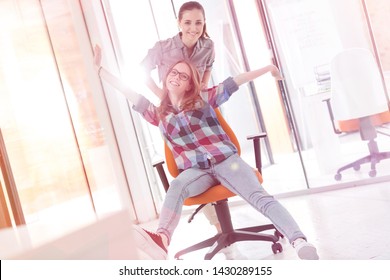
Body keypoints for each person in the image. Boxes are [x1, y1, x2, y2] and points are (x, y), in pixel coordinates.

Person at [94, 48, 319, 260]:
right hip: (195, 171)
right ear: (166, 77)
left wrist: (268, 69)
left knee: (260, 198)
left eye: (183, 76)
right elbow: (128, 92)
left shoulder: (203, 100)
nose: (176, 77)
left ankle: (299, 241)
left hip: (226, 162)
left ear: (189, 84)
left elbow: (235, 82)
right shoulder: (158, 113)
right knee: (177, 186)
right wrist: (100, 70)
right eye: (174, 73)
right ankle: (161, 241)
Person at [140, 1, 221, 233]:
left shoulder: (208, 46)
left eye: (198, 22)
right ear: (179, 23)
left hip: (201, 114)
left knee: (216, 161)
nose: (193, 28)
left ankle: (223, 219)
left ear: (204, 23)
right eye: (188, 22)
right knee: (190, 169)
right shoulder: (163, 47)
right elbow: (142, 70)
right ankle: (217, 224)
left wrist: (203, 87)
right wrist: (160, 95)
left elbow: (209, 67)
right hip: (174, 117)